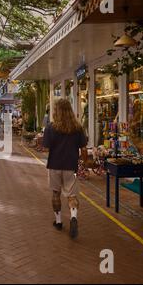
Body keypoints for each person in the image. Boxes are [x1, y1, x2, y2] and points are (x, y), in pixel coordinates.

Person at [43, 99, 87, 239]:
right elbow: (84, 149)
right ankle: (73, 216)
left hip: (54, 165)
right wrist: (84, 163)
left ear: (56, 111)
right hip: (70, 166)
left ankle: (59, 221)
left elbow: (45, 148)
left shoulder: (50, 127)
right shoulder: (78, 127)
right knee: (71, 195)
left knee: (56, 193)